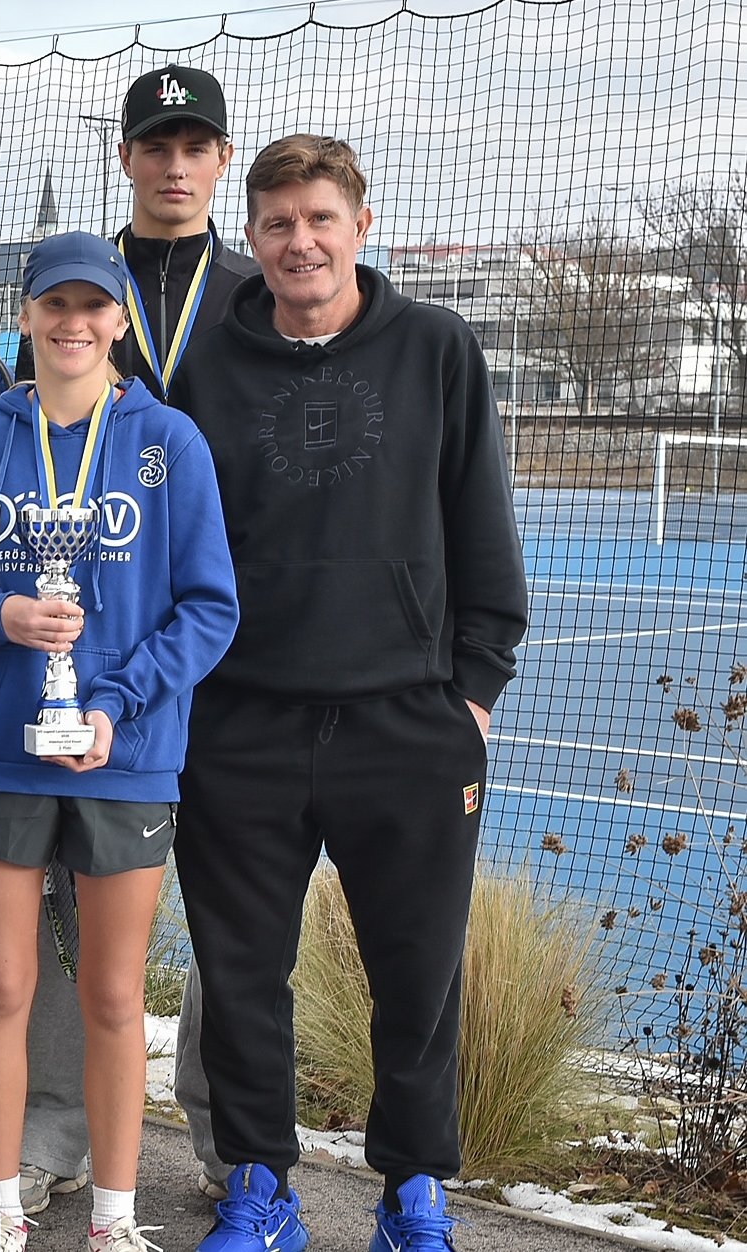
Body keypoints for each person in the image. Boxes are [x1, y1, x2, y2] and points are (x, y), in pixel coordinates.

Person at [169, 136, 527, 1252]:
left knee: (416, 981)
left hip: (406, 727)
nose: (300, 242)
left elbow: (482, 526)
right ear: (251, 234)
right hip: (242, 725)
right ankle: (259, 1187)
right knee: (240, 977)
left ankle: (412, 1195)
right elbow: (180, 544)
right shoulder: (206, 367)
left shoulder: (436, 348)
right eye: (277, 223)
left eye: (319, 218)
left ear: (360, 226)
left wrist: (472, 695)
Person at [0, 233, 239, 1252]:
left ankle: (115, 1218)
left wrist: (115, 703)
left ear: (117, 321)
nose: (73, 324)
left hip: (128, 751)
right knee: (3, 988)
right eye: (54, 305)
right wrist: (2, 617)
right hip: (0, 748)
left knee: (113, 996)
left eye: (92, 306)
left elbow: (209, 607)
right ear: (24, 314)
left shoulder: (170, 442)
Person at [14, 62, 259, 1219]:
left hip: (235, 648)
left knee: (228, 902)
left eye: (193, 145)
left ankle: (228, 1137)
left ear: (220, 160)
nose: (173, 164)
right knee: (69, 900)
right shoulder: (75, 290)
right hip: (92, 649)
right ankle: (54, 1130)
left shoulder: (261, 291)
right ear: (124, 156)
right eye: (154, 144)